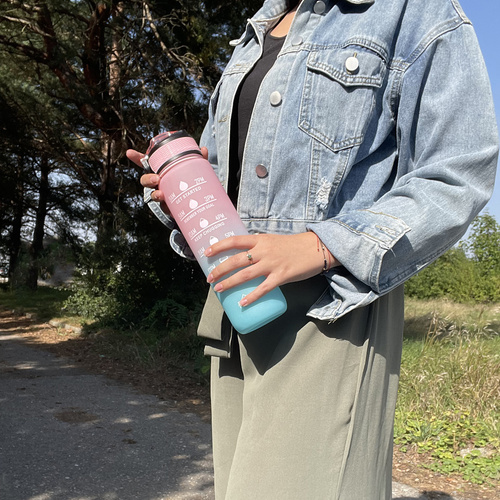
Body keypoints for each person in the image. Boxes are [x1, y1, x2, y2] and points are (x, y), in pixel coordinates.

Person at [127, 0, 498, 498]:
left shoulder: (415, 11)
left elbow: (458, 172)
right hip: (235, 302)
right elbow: (235, 185)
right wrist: (183, 196)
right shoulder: (255, 32)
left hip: (331, 306)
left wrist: (319, 245)